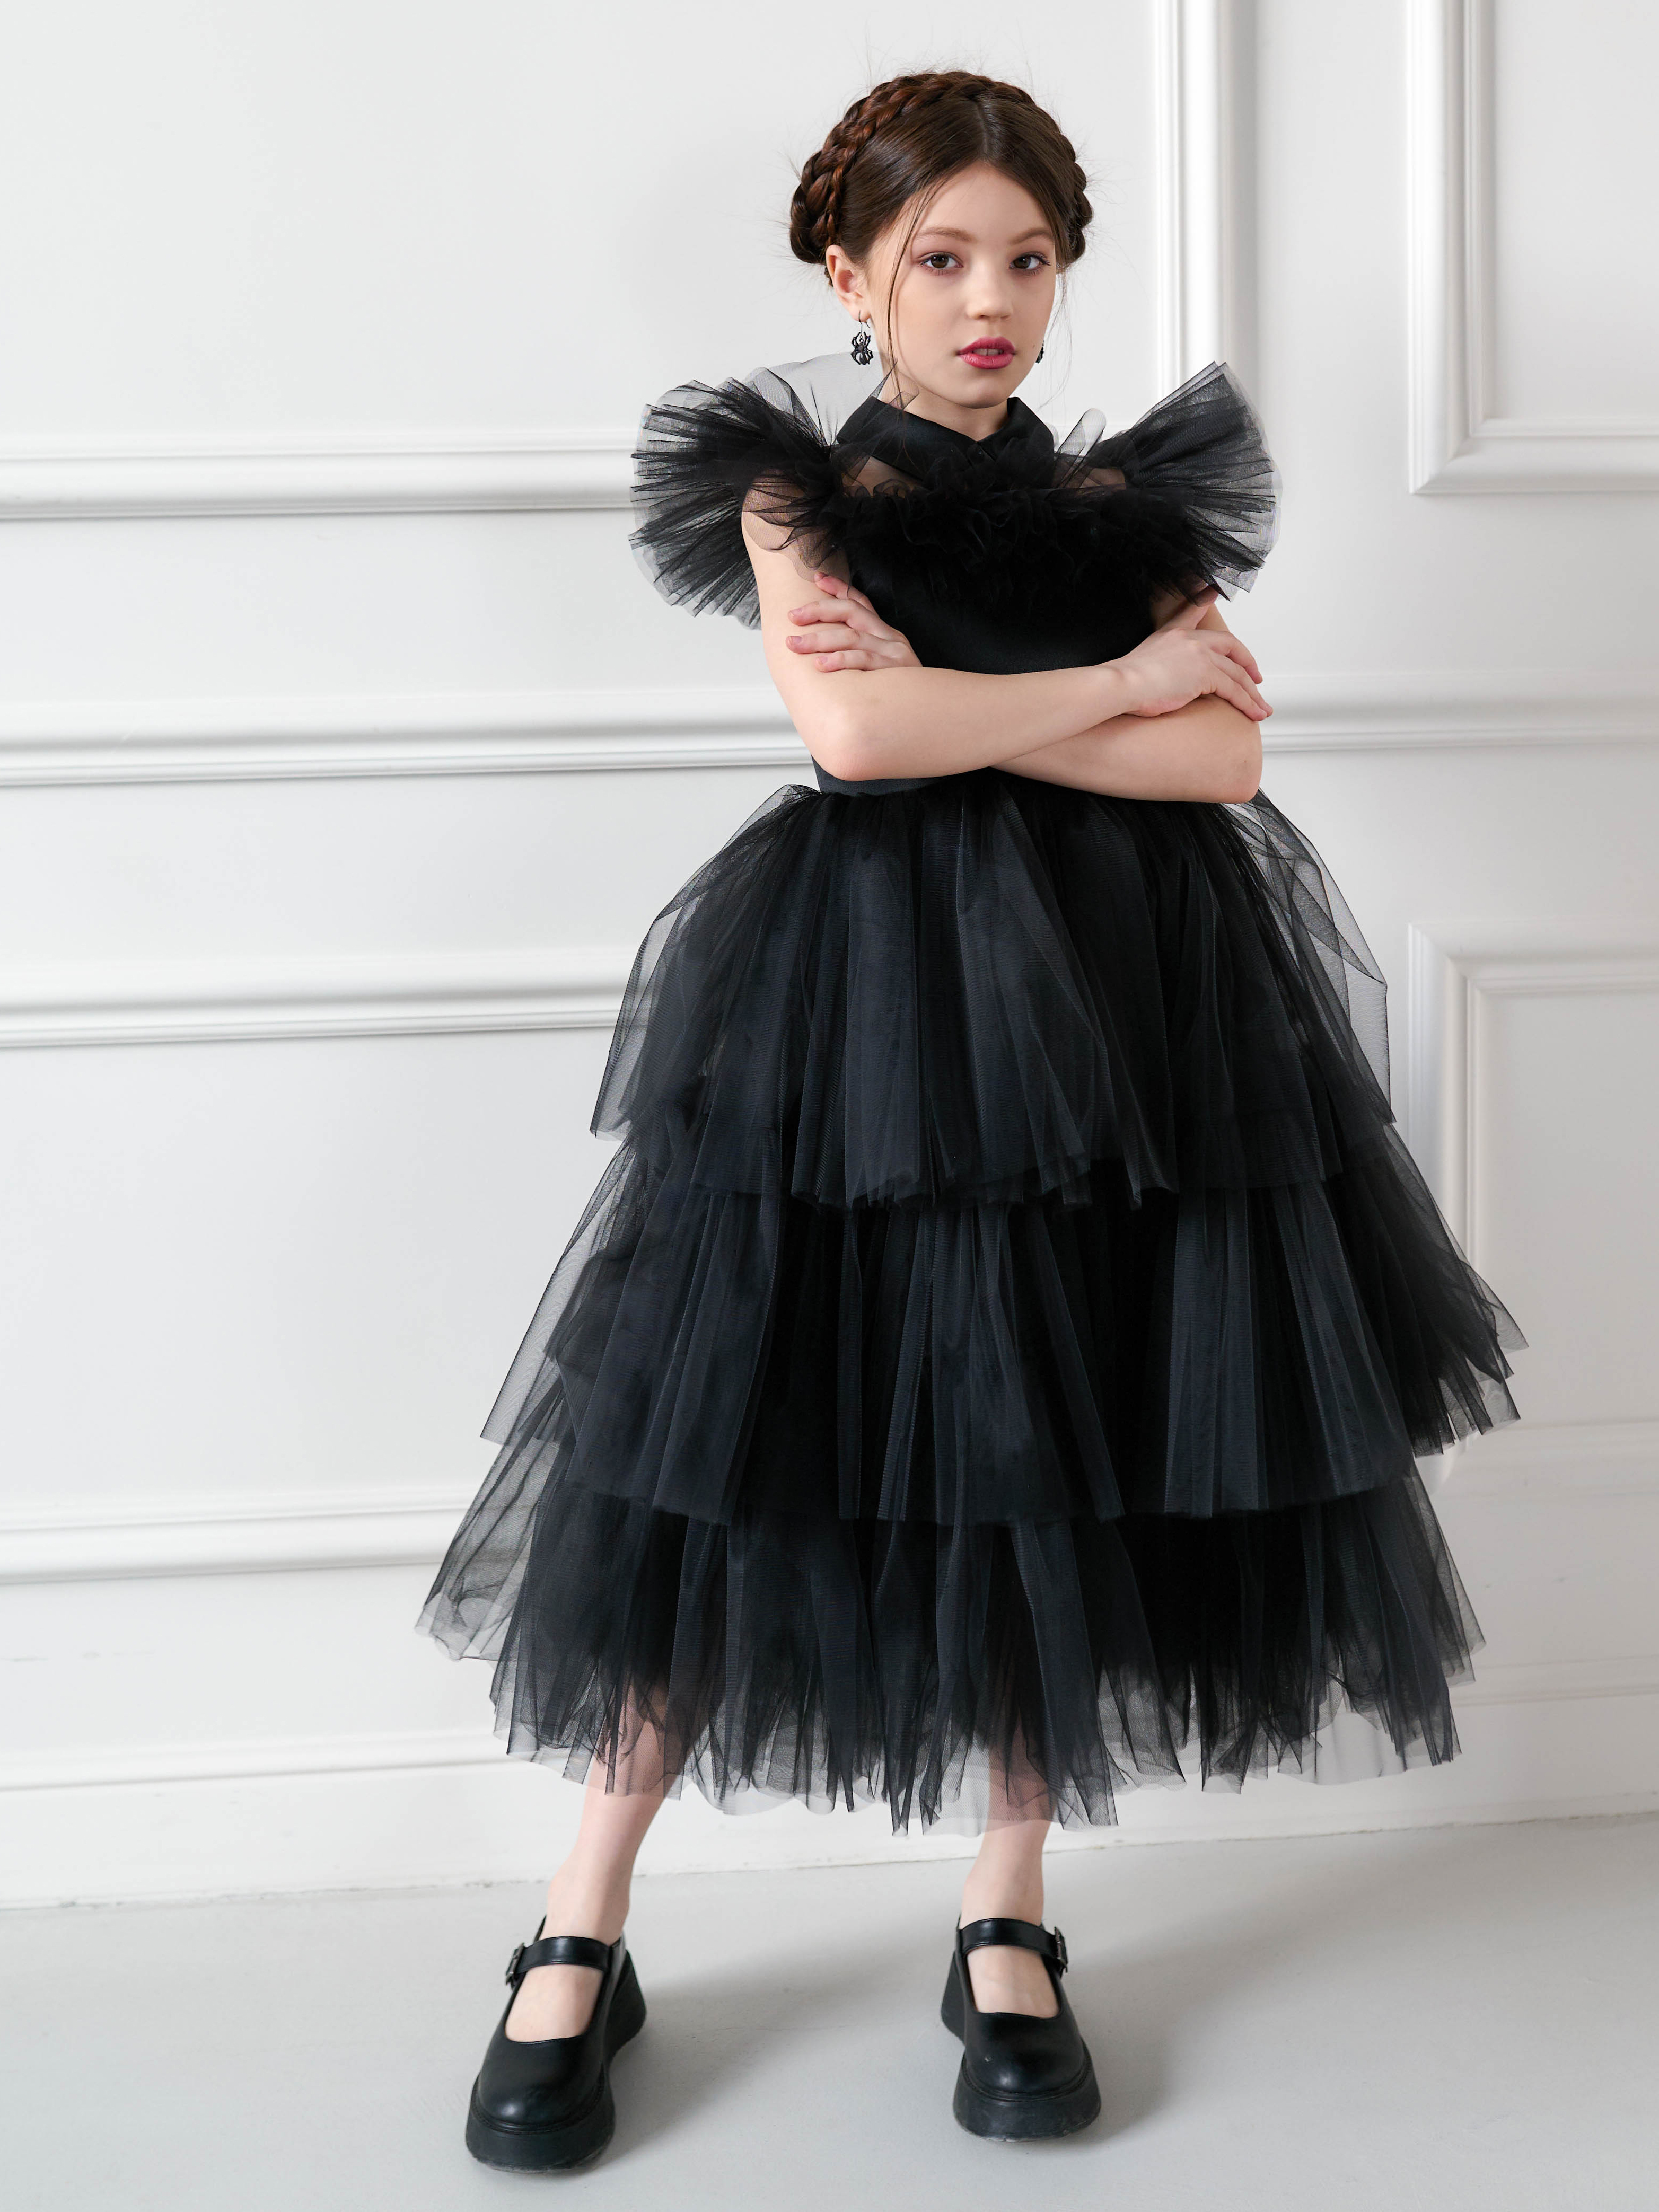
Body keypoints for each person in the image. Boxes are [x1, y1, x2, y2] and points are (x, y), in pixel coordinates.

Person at [418, 68, 1525, 2169]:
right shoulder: (798, 495)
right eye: (940, 258)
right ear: (852, 276)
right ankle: (582, 1919)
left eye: (1028, 260)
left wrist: (1002, 712)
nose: (990, 299)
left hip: (1126, 1025)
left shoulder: (1125, 511)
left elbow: (1220, 771)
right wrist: (1110, 688)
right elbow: (853, 735)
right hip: (861, 1032)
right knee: (723, 1448)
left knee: (1061, 1432)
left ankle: (1007, 1912)